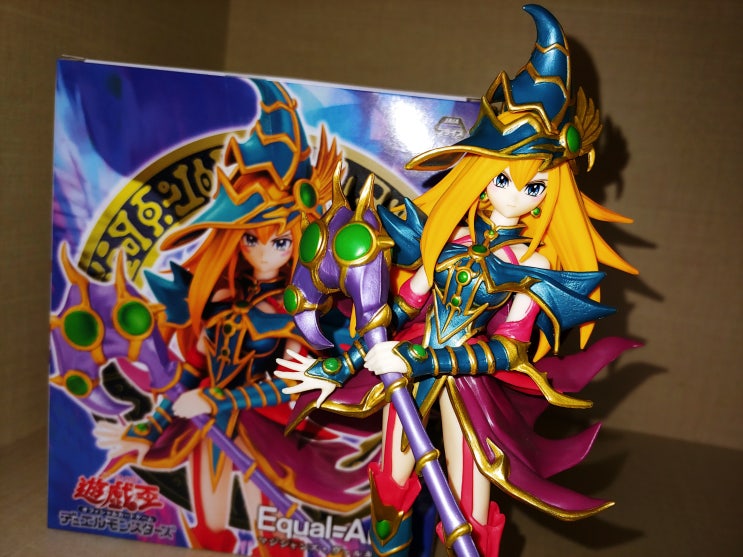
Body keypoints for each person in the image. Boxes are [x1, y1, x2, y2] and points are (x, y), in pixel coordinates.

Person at [276, 5, 638, 556]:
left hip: (467, 383)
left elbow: (509, 349)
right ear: (480, 172)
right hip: (407, 368)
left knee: (472, 508)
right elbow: (396, 310)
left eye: (534, 187)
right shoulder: (449, 241)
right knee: (390, 491)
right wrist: (339, 365)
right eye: (503, 178)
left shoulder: (534, 264)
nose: (515, 195)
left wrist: (420, 360)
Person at [94, 80, 373, 554]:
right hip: (207, 427)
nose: (263, 253)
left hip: (260, 426)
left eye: (279, 242)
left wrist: (216, 401)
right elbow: (191, 372)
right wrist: (144, 431)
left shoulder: (297, 309)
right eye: (251, 239)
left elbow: (289, 385)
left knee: (274, 537)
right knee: (208, 532)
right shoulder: (222, 296)